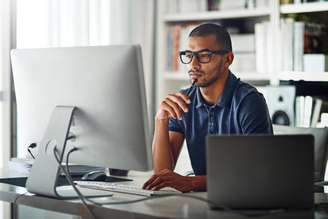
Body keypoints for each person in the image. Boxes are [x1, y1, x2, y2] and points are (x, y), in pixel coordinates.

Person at [143, 23, 273, 192]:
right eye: (189, 55)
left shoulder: (249, 101)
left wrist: (191, 183)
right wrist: (160, 119)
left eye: (204, 55)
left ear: (228, 59)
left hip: (243, 201)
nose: (193, 64)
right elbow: (162, 174)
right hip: (202, 201)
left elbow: (258, 173)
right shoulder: (184, 101)